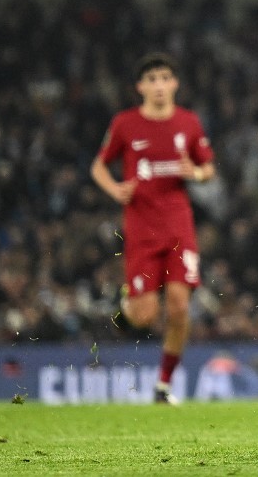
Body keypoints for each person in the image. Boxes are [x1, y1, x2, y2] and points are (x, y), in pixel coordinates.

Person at [90, 52, 216, 404]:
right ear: (140, 87)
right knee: (144, 317)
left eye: (165, 77)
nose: (159, 85)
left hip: (178, 227)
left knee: (178, 307)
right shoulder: (125, 124)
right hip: (141, 229)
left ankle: (163, 385)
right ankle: (126, 302)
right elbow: (98, 166)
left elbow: (208, 168)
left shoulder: (188, 122)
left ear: (174, 83)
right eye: (152, 79)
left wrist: (197, 173)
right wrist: (115, 189)